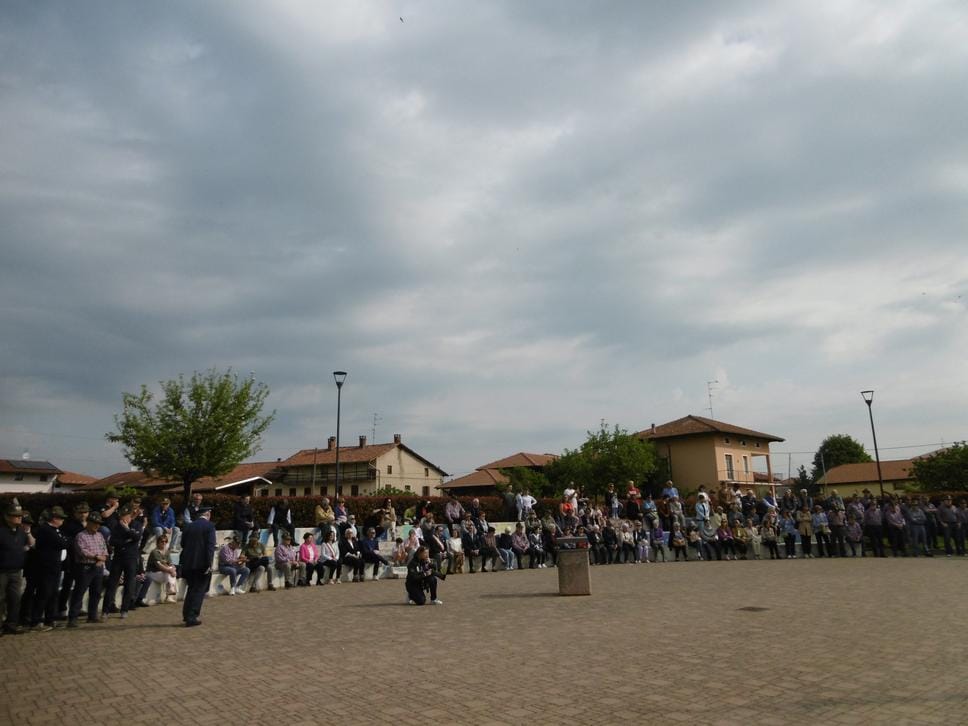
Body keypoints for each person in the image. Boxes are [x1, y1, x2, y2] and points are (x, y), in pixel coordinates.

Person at [29, 506, 68, 631]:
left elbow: (64, 541)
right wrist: (64, 540)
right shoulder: (46, 530)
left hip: (55, 566)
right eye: (60, 518)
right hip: (46, 567)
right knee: (43, 593)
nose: (62, 520)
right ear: (54, 518)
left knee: (53, 594)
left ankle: (50, 619)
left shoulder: (56, 530)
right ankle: (36, 621)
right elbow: (63, 543)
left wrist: (65, 540)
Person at [67, 511, 108, 628]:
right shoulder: (81, 535)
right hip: (85, 567)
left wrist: (102, 559)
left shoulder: (100, 535)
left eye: (99, 524)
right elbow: (82, 551)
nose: (97, 526)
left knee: (96, 592)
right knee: (79, 592)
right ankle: (73, 618)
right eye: (95, 523)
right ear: (89, 523)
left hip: (98, 567)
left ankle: (92, 615)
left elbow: (104, 550)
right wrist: (96, 557)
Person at [103, 506, 142, 619]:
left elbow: (136, 537)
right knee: (112, 584)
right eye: (122, 517)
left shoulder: (136, 524)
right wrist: (126, 541)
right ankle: (105, 610)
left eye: (126, 516)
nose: (124, 519)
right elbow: (112, 541)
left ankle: (124, 609)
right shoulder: (116, 526)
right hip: (118, 558)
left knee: (129, 584)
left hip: (131, 558)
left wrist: (127, 529)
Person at [180, 505, 216, 627]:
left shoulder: (189, 526)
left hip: (188, 562)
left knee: (191, 589)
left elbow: (183, 543)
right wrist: (209, 563)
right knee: (199, 590)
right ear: (208, 514)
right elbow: (210, 547)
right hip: (201, 563)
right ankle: (192, 616)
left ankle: (186, 614)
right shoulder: (209, 526)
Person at [1, 501, 33, 634]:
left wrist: (28, 532)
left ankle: (11, 624)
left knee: (15, 599)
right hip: (1, 571)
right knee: (0, 598)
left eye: (20, 515)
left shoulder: (21, 531)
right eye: (15, 515)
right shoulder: (1, 531)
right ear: (7, 517)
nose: (19, 517)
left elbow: (31, 544)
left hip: (16, 571)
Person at [56, 502, 89, 619]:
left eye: (85, 512)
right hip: (71, 558)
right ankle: (62, 609)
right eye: (80, 513)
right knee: (67, 585)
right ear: (75, 513)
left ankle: (77, 607)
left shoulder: (90, 524)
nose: (83, 515)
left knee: (81, 586)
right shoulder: (70, 525)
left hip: (84, 559)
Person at [145, 533, 178, 603]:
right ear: (158, 542)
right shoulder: (154, 552)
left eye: (165, 541)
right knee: (169, 573)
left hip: (162, 572)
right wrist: (170, 570)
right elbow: (159, 566)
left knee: (171, 573)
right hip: (152, 572)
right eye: (162, 541)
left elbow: (171, 564)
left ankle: (169, 594)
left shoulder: (167, 552)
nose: (164, 543)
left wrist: (173, 570)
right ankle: (170, 593)